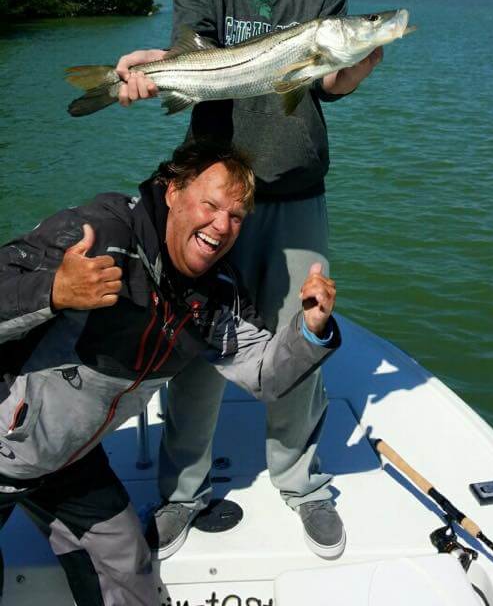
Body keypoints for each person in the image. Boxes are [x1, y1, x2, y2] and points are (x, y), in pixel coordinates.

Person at [115, 0, 382, 560]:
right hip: (213, 199)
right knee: (196, 349)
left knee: (300, 337)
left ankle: (301, 482)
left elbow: (324, 87)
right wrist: (150, 77)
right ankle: (181, 493)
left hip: (296, 189)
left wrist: (354, 64)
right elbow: (191, 62)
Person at [0, 139, 340, 606]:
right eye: (211, 204)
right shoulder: (98, 236)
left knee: (131, 571)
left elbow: (265, 376)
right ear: (173, 190)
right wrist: (53, 291)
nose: (221, 226)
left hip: (69, 461)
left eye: (236, 217)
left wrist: (310, 329)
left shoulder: (214, 297)